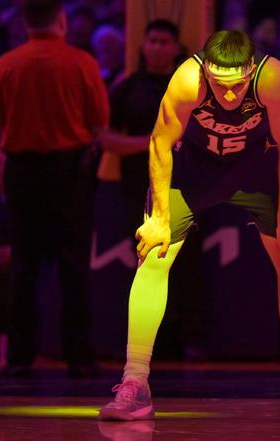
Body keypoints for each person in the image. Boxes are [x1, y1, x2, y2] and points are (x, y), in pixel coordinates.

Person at [99, 30, 280, 423]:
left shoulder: (273, 79)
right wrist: (159, 218)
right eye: (218, 84)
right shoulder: (186, 79)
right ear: (206, 70)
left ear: (251, 70)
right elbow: (160, 143)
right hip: (194, 168)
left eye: (237, 86)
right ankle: (135, 383)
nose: (227, 96)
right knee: (154, 254)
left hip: (257, 167)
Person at [0, 0, 109, 378]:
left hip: (22, 172)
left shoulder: (6, 64)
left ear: (25, 22)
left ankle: (19, 357)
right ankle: (79, 357)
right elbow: (99, 121)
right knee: (73, 267)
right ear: (61, 20)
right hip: (69, 172)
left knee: (24, 265)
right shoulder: (82, 63)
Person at [99, 19, 206, 360]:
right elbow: (106, 138)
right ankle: (147, 342)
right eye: (153, 41)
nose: (158, 47)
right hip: (140, 189)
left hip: (187, 188)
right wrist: (151, 144)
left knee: (188, 263)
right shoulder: (127, 88)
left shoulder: (192, 87)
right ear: (143, 46)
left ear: (176, 48)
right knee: (148, 264)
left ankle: (190, 337)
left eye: (164, 41)